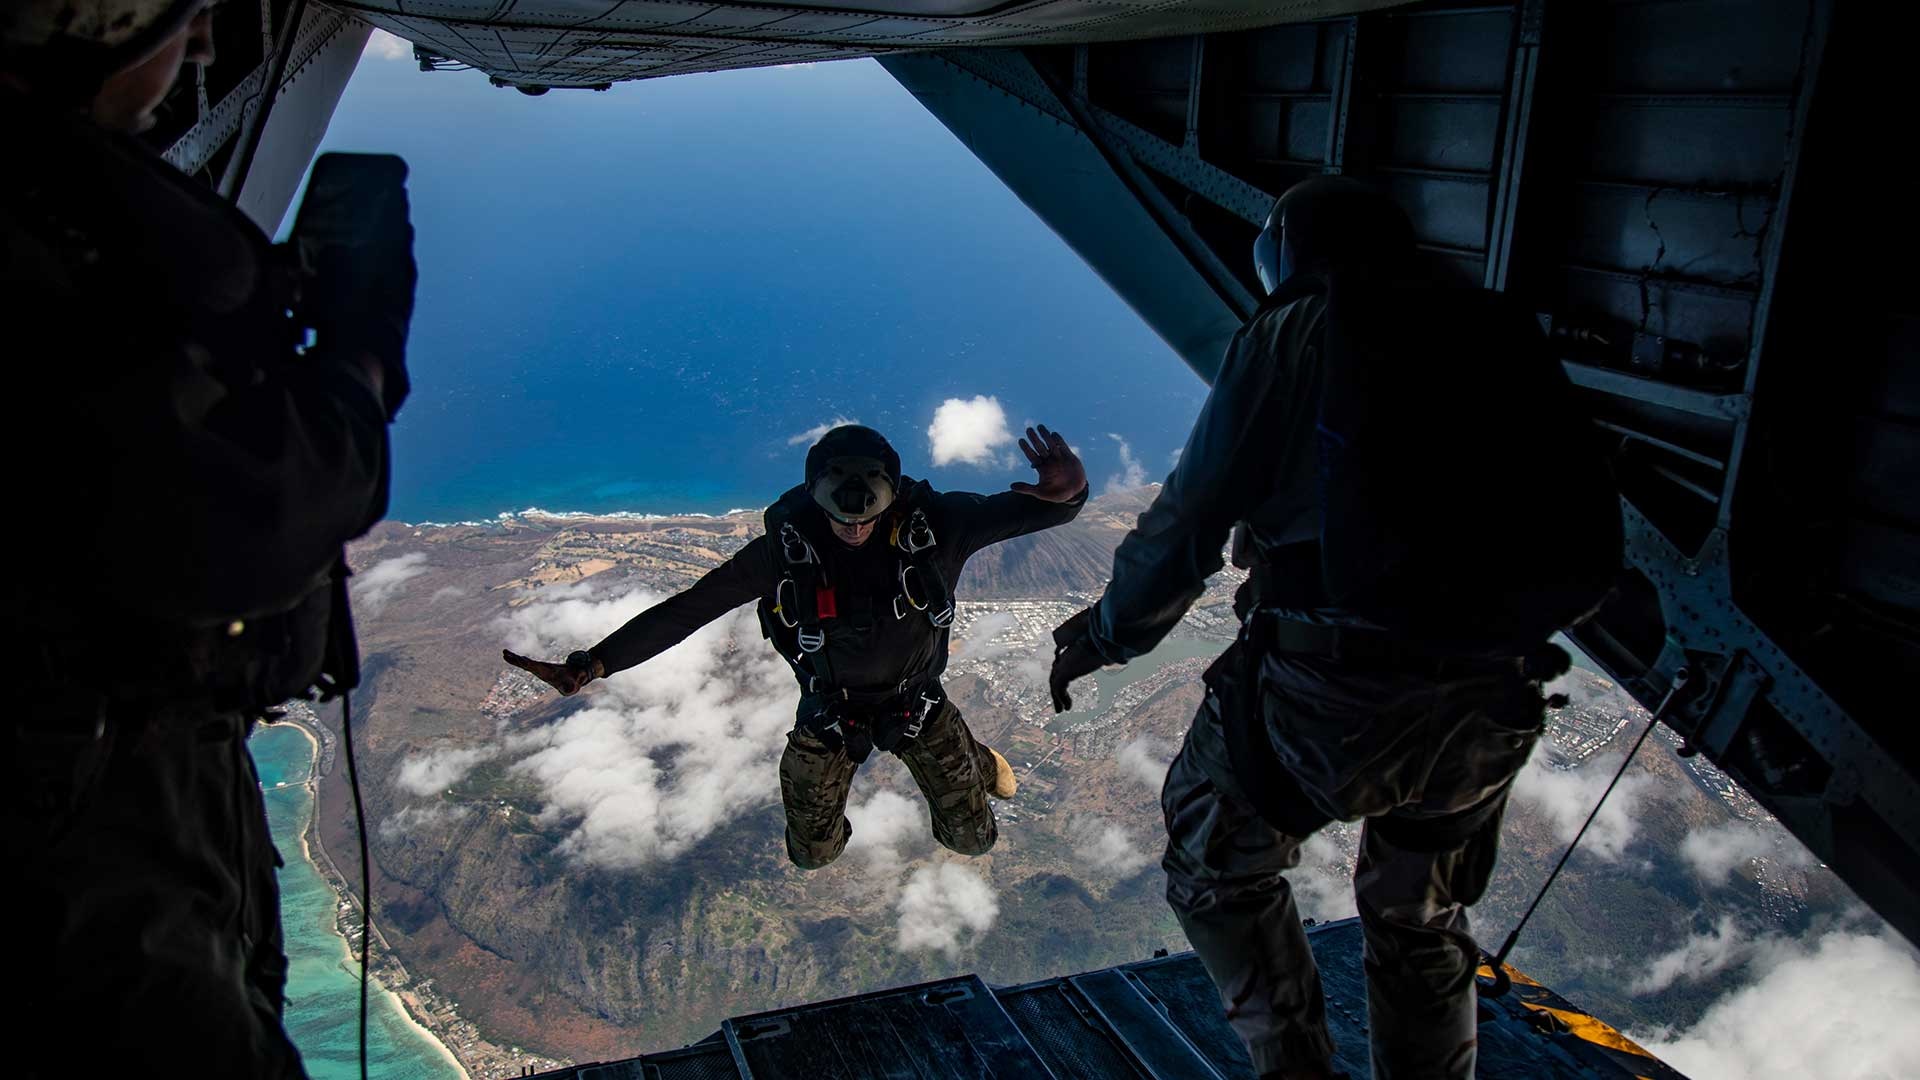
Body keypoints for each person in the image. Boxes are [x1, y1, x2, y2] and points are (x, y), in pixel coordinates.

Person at [1048, 177, 1619, 1080]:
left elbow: (1192, 518)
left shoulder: (1291, 330)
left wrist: (1109, 635)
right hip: (1494, 702)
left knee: (1213, 867)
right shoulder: (1497, 333)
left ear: (1286, 252)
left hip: (1331, 698)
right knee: (1419, 916)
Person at [3, 2, 417, 1074]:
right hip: (91, 782)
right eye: (176, 20)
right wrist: (359, 368)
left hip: (118, 755)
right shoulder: (37, 225)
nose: (198, 48)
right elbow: (240, 523)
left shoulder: (53, 206)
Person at [506, 423, 1087, 868]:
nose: (853, 525)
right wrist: (594, 664)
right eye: (839, 511)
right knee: (813, 854)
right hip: (830, 708)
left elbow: (1042, 511)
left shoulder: (937, 526)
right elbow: (687, 610)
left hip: (918, 701)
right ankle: (967, 754)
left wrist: (1072, 492)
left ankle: (976, 755)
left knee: (973, 842)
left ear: (893, 497)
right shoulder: (783, 552)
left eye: (867, 511)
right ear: (814, 494)